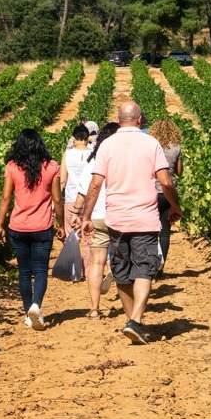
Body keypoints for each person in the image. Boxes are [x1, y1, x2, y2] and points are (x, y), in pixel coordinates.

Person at [75, 102, 181, 345]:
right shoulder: (151, 143)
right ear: (140, 120)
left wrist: (87, 217)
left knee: (122, 272)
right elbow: (165, 182)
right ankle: (135, 321)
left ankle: (131, 320)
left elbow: (95, 184)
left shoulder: (107, 145)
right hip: (144, 218)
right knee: (144, 269)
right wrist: (175, 206)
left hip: (117, 220)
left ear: (117, 118)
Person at [0, 129, 64, 330]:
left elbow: (6, 198)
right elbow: (57, 199)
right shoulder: (51, 166)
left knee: (24, 272)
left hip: (18, 226)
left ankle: (28, 313)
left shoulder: (12, 167)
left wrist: (0, 225)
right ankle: (36, 306)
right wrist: (61, 225)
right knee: (41, 270)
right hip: (43, 227)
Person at [72, 121, 120, 318]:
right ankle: (130, 309)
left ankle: (94, 309)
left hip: (97, 216)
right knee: (124, 259)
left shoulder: (92, 160)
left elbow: (84, 191)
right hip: (120, 215)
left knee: (95, 263)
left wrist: (77, 214)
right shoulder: (123, 160)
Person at [148, 118, 183, 273]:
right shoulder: (176, 148)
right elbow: (179, 172)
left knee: (149, 230)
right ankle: (160, 268)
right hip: (168, 192)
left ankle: (148, 264)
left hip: (150, 191)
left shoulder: (150, 146)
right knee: (165, 231)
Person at [58, 123, 93, 274]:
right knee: (89, 236)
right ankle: (88, 270)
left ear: (73, 138)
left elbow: (62, 180)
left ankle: (73, 269)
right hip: (90, 199)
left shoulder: (67, 154)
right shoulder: (93, 153)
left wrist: (57, 200)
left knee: (71, 234)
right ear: (88, 138)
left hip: (72, 198)